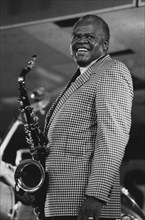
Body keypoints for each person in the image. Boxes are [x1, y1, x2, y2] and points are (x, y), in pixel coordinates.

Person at [43, 14, 134, 220]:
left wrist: (96, 194)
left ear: (105, 45)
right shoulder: (82, 77)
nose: (81, 40)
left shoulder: (111, 71)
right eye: (76, 36)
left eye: (90, 37)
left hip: (83, 203)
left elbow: (113, 138)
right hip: (58, 201)